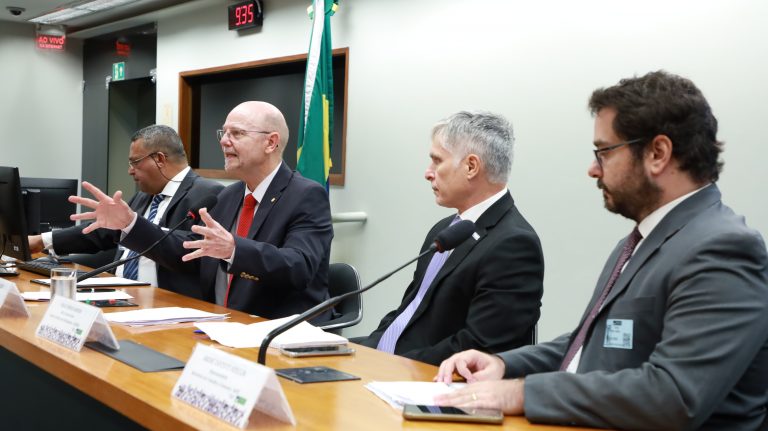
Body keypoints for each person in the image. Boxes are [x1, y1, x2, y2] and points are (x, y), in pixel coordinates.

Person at [434, 71, 768, 430]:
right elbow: (591, 342)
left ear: (658, 153)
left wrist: (522, 393)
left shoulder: (724, 249)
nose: (593, 170)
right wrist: (505, 365)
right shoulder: (640, 242)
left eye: (604, 152)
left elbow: (673, 396)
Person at [71, 101, 334, 320]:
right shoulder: (228, 196)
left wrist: (234, 250)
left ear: (271, 143)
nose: (224, 142)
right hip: (216, 323)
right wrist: (130, 223)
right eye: (223, 133)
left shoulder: (305, 195)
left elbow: (300, 266)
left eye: (237, 133)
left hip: (275, 329)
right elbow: (189, 250)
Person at [355, 111, 544, 366]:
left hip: (427, 377)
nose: (428, 173)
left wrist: (392, 364)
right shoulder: (445, 230)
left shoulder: (514, 245)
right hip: (390, 362)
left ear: (471, 166)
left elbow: (479, 346)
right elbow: (410, 312)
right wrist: (365, 351)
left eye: (437, 161)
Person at [28, 124, 223, 298]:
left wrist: (133, 224)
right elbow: (104, 231)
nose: (130, 170)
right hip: (119, 294)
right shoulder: (145, 195)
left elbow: (192, 252)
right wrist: (41, 241)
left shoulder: (208, 194)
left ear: (159, 159)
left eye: (135, 162)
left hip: (167, 302)